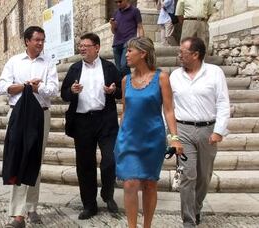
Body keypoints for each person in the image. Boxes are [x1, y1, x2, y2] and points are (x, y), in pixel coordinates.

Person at [113, 37, 183, 228]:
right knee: (130, 184)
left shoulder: (161, 77)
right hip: (129, 139)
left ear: (142, 53)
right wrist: (120, 137)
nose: (125, 54)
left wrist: (174, 138)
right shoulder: (125, 80)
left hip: (153, 139)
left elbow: (169, 110)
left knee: (150, 184)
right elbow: (125, 111)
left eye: (129, 51)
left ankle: (147, 226)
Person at [0, 26, 59, 228]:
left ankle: (31, 207)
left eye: (43, 40)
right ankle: (18, 215)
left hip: (41, 115)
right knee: (18, 159)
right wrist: (25, 86)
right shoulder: (14, 62)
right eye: (37, 40)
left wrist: (36, 87)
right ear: (27, 41)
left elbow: (52, 91)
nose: (40, 43)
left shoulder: (49, 63)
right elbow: (1, 88)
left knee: (35, 161)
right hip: (17, 114)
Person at [170, 37, 230, 228]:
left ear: (195, 54)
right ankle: (188, 220)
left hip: (208, 130)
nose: (179, 55)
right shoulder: (174, 76)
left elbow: (222, 102)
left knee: (204, 177)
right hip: (183, 130)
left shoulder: (215, 73)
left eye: (183, 52)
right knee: (188, 176)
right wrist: (172, 136)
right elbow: (168, 107)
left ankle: (196, 208)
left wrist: (219, 130)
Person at [61, 33, 121, 220]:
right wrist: (71, 91)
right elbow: (64, 93)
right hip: (82, 121)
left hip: (106, 120)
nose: (82, 48)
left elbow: (120, 91)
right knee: (85, 164)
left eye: (86, 45)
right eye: (80, 46)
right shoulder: (74, 68)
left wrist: (113, 91)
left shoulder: (109, 67)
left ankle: (108, 194)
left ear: (97, 47)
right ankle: (89, 204)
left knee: (110, 159)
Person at [110, 0, 144, 76]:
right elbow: (113, 31)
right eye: (116, 2)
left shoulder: (135, 11)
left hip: (128, 42)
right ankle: (124, 86)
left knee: (124, 65)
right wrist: (113, 25)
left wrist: (142, 42)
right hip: (116, 43)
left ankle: (131, 83)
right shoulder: (116, 13)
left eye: (120, 1)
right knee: (118, 69)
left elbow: (140, 27)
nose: (118, 4)